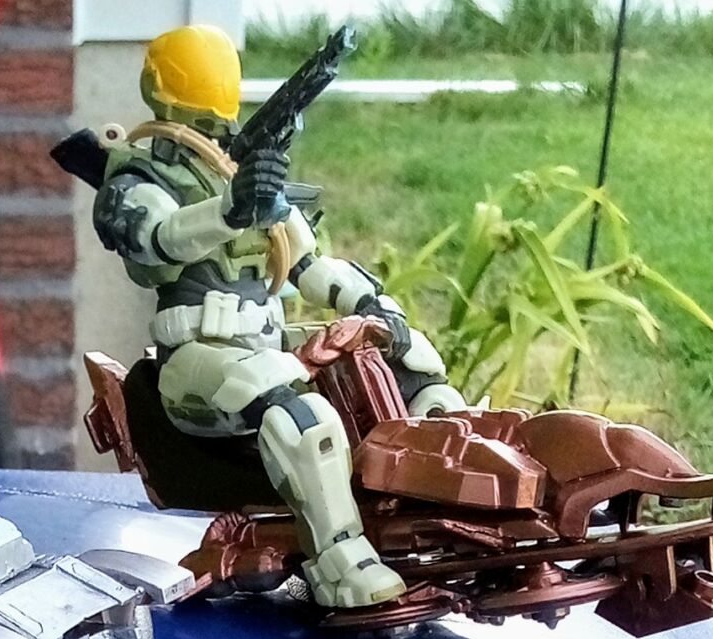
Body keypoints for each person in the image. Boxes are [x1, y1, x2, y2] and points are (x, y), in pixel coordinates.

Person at [85, 26, 466, 608]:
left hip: (266, 344)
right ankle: (340, 561)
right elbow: (158, 240)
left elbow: (310, 264)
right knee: (297, 410)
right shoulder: (139, 176)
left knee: (411, 362)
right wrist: (231, 209)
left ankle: (448, 503)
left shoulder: (232, 166)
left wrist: (373, 308)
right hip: (194, 363)